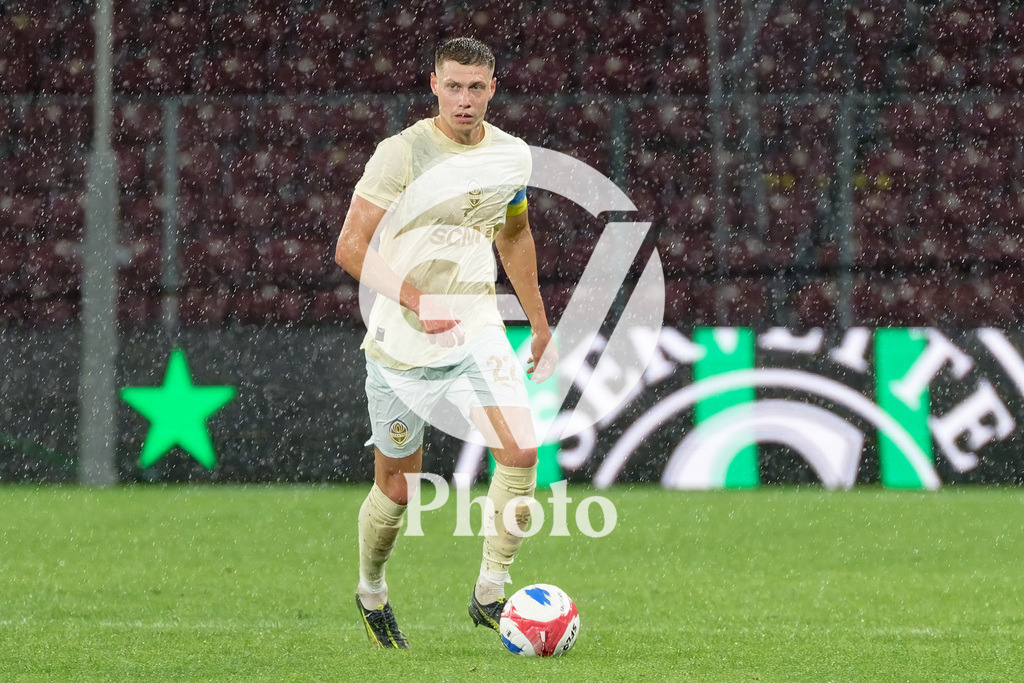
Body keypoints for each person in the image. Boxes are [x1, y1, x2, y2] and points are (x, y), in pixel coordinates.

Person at [334, 37, 556, 649]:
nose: (465, 99)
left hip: (477, 326)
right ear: (433, 84)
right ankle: (371, 586)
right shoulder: (400, 154)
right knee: (399, 489)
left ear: (494, 88)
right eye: (453, 86)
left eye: (476, 87)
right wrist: (414, 300)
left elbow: (514, 235)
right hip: (404, 337)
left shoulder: (512, 156)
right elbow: (350, 248)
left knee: (520, 453)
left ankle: (491, 590)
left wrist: (538, 323)